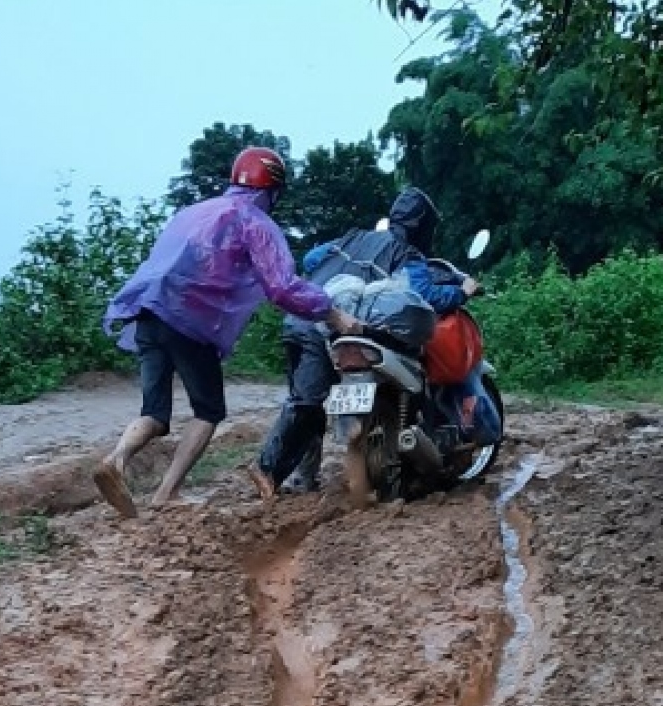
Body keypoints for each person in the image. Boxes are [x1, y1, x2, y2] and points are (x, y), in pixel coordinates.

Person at [92, 146, 361, 519]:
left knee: (155, 412)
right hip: (188, 324)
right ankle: (166, 492)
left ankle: (116, 459)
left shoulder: (193, 212)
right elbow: (282, 287)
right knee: (208, 410)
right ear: (274, 190)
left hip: (149, 312)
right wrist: (331, 312)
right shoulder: (254, 223)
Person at [247, 187, 493, 498]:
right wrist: (462, 292)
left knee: (305, 399)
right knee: (307, 403)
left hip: (299, 320)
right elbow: (426, 295)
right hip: (328, 326)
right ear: (424, 226)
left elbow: (311, 259)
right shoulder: (407, 253)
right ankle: (268, 469)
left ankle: (304, 477)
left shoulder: (351, 238)